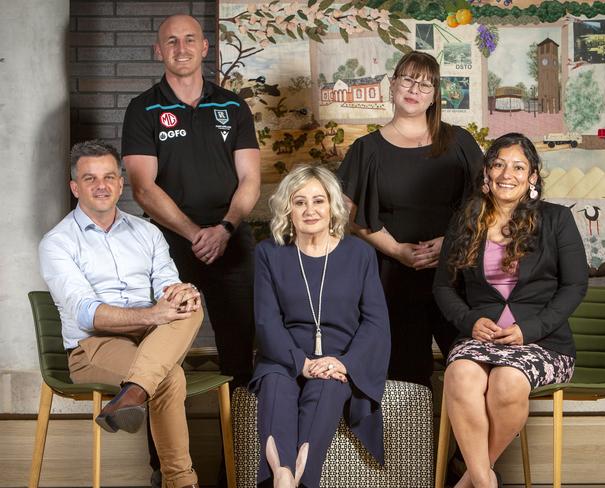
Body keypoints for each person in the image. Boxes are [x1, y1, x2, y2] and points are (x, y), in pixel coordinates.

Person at [39, 140, 204, 488]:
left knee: (191, 305)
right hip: (93, 347)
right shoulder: (58, 242)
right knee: (170, 379)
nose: (101, 185)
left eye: (109, 176)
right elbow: (88, 315)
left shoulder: (147, 232)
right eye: (90, 178)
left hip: (151, 341)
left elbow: (167, 286)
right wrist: (155, 316)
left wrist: (180, 295)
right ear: (75, 187)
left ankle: (132, 393)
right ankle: (182, 482)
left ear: (120, 183)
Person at [433, 133, 588, 488]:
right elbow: (442, 286)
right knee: (460, 375)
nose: (508, 173)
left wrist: (528, 330)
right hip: (480, 337)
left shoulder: (557, 219)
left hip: (542, 340)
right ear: (487, 172)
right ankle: (486, 482)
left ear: (532, 176)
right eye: (499, 164)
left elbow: (575, 286)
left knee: (507, 380)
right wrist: (470, 320)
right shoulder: (464, 221)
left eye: (519, 166)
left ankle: (470, 480)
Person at [121, 14, 260, 389]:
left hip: (231, 240)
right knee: (162, 346)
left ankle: (241, 446)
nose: (180, 48)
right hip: (169, 244)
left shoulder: (233, 106)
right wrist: (197, 233)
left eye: (188, 40)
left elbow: (250, 179)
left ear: (204, 47)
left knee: (240, 347)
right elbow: (143, 188)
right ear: (158, 51)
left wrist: (225, 229)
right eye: (171, 41)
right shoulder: (143, 108)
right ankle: (164, 450)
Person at [337, 50, 483, 387]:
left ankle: (466, 443)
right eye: (408, 79)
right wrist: (397, 250)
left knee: (470, 369)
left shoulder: (459, 141)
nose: (414, 89)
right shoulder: (366, 149)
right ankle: (411, 441)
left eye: (425, 84)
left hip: (456, 273)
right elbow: (347, 216)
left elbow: (486, 204)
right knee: (404, 374)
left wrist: (449, 244)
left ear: (435, 96)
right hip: (392, 277)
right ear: (392, 85)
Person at [251, 165, 390, 488]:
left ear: (332, 206)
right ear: (288, 208)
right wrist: (301, 363)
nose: (310, 210)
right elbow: (266, 319)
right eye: (300, 202)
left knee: (326, 387)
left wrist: (344, 362)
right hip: (283, 356)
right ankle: (283, 474)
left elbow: (375, 322)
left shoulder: (360, 253)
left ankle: (294, 478)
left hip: (337, 360)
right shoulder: (269, 253)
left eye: (319, 201)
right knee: (274, 384)